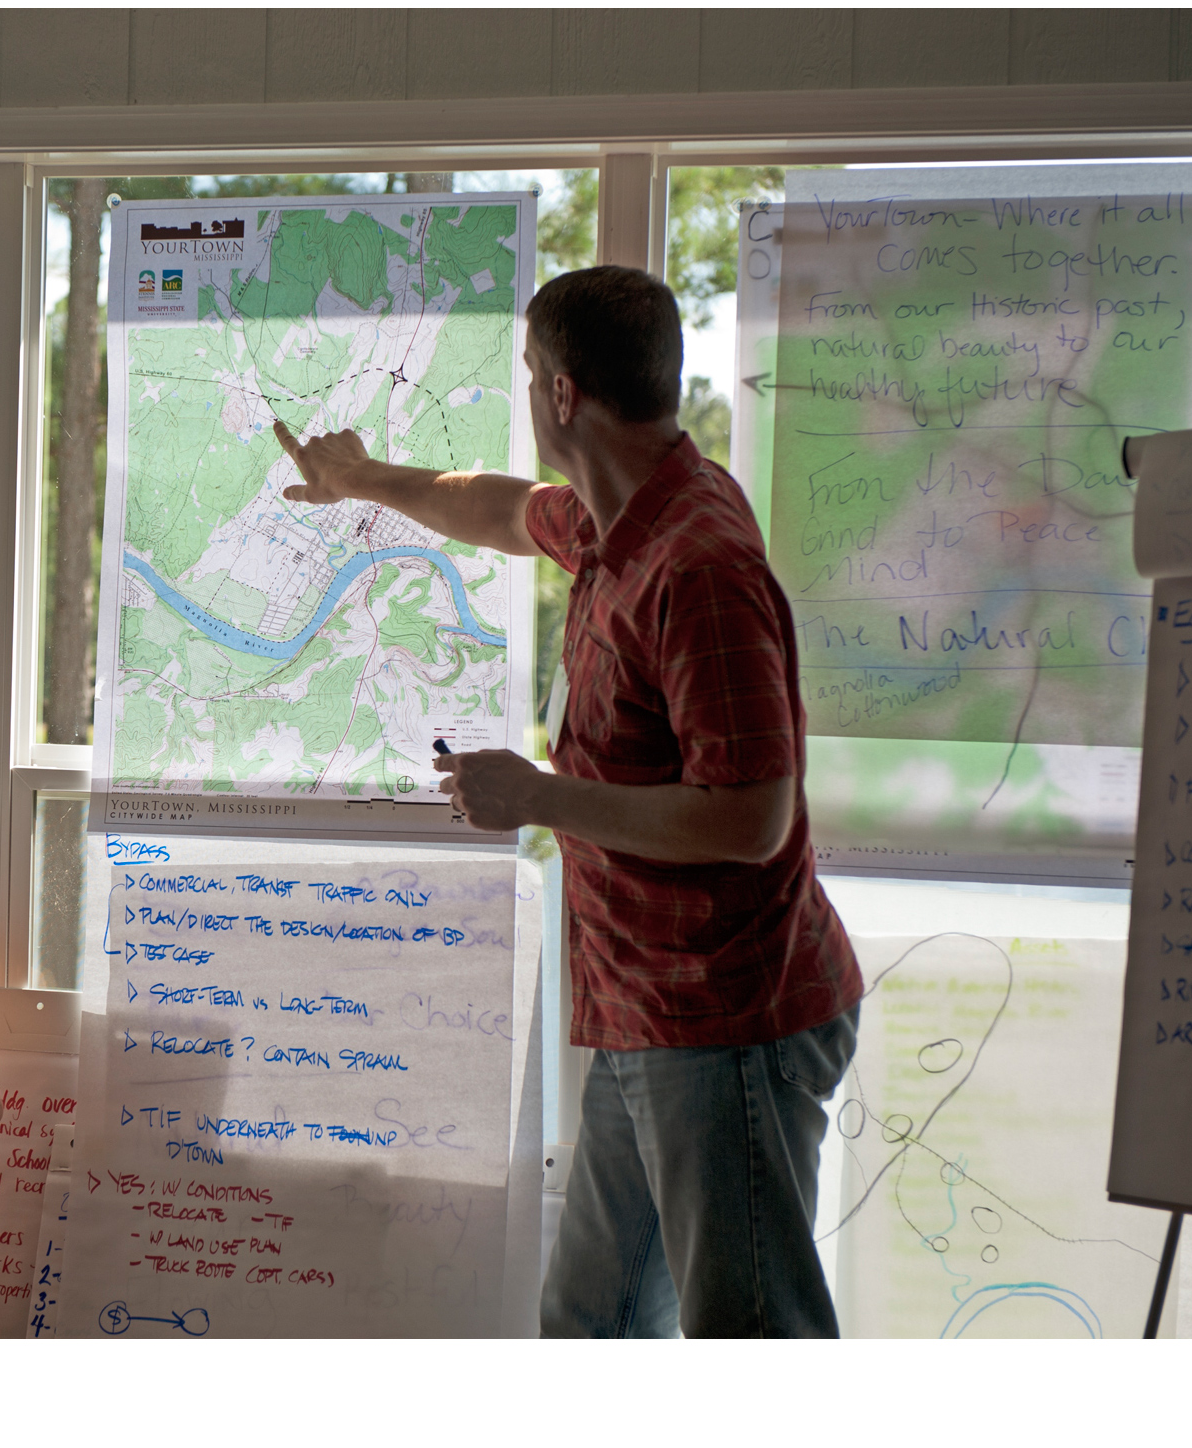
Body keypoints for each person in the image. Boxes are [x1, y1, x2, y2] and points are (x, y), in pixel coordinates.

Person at [272, 266, 861, 1339]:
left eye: (530, 373)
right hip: (646, 1014)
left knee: (751, 1337)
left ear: (559, 393)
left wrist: (539, 796)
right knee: (587, 1327)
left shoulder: (697, 561)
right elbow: (495, 507)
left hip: (725, 1023)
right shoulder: (613, 516)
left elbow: (748, 818)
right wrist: (362, 480)